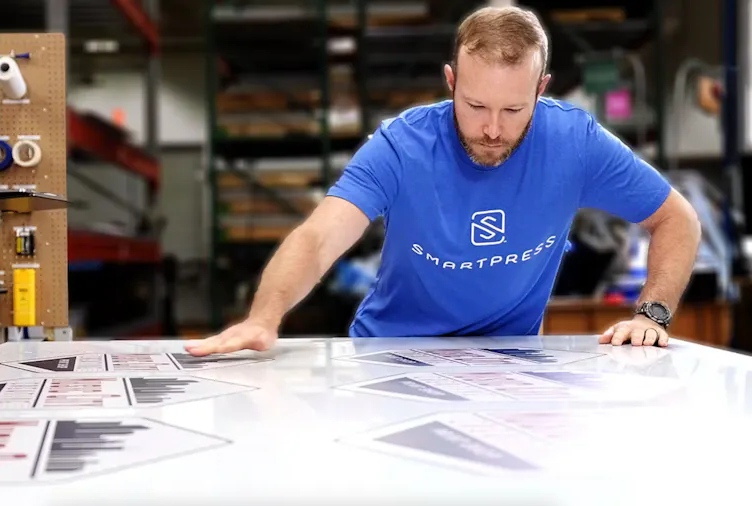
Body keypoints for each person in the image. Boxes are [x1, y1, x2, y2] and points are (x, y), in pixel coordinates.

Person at [186, 5, 701, 357]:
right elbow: (319, 239)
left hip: (508, 366)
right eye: (476, 106)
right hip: (391, 355)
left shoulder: (575, 142)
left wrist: (652, 315)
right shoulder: (401, 147)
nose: (493, 130)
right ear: (451, 80)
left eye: (514, 109)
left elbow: (676, 218)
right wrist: (263, 316)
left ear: (541, 89)